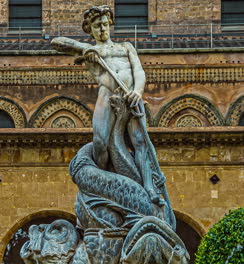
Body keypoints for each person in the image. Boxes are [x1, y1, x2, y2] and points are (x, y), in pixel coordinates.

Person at [51, 6, 163, 204]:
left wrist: (138, 91)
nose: (102, 29)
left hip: (131, 98)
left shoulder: (126, 47)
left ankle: (148, 187)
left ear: (110, 25)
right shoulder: (91, 52)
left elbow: (138, 70)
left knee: (140, 143)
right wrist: (84, 48)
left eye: (104, 24)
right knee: (100, 141)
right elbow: (56, 42)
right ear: (90, 29)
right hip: (107, 95)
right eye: (96, 26)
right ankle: (103, 185)